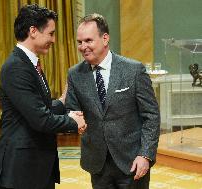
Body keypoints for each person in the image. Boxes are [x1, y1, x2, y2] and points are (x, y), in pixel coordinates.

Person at [0, 4, 86, 189]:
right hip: (21, 172)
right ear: (33, 31)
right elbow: (41, 119)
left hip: (35, 167)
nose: (53, 39)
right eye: (51, 33)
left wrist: (61, 101)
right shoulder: (16, 67)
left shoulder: (29, 63)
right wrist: (73, 122)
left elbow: (38, 107)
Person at [65, 13, 160, 189]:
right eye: (79, 42)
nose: (83, 46)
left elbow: (151, 115)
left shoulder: (133, 70)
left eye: (88, 40)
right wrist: (70, 117)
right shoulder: (74, 74)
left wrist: (145, 155)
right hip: (97, 164)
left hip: (132, 162)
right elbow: (72, 111)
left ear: (105, 38)